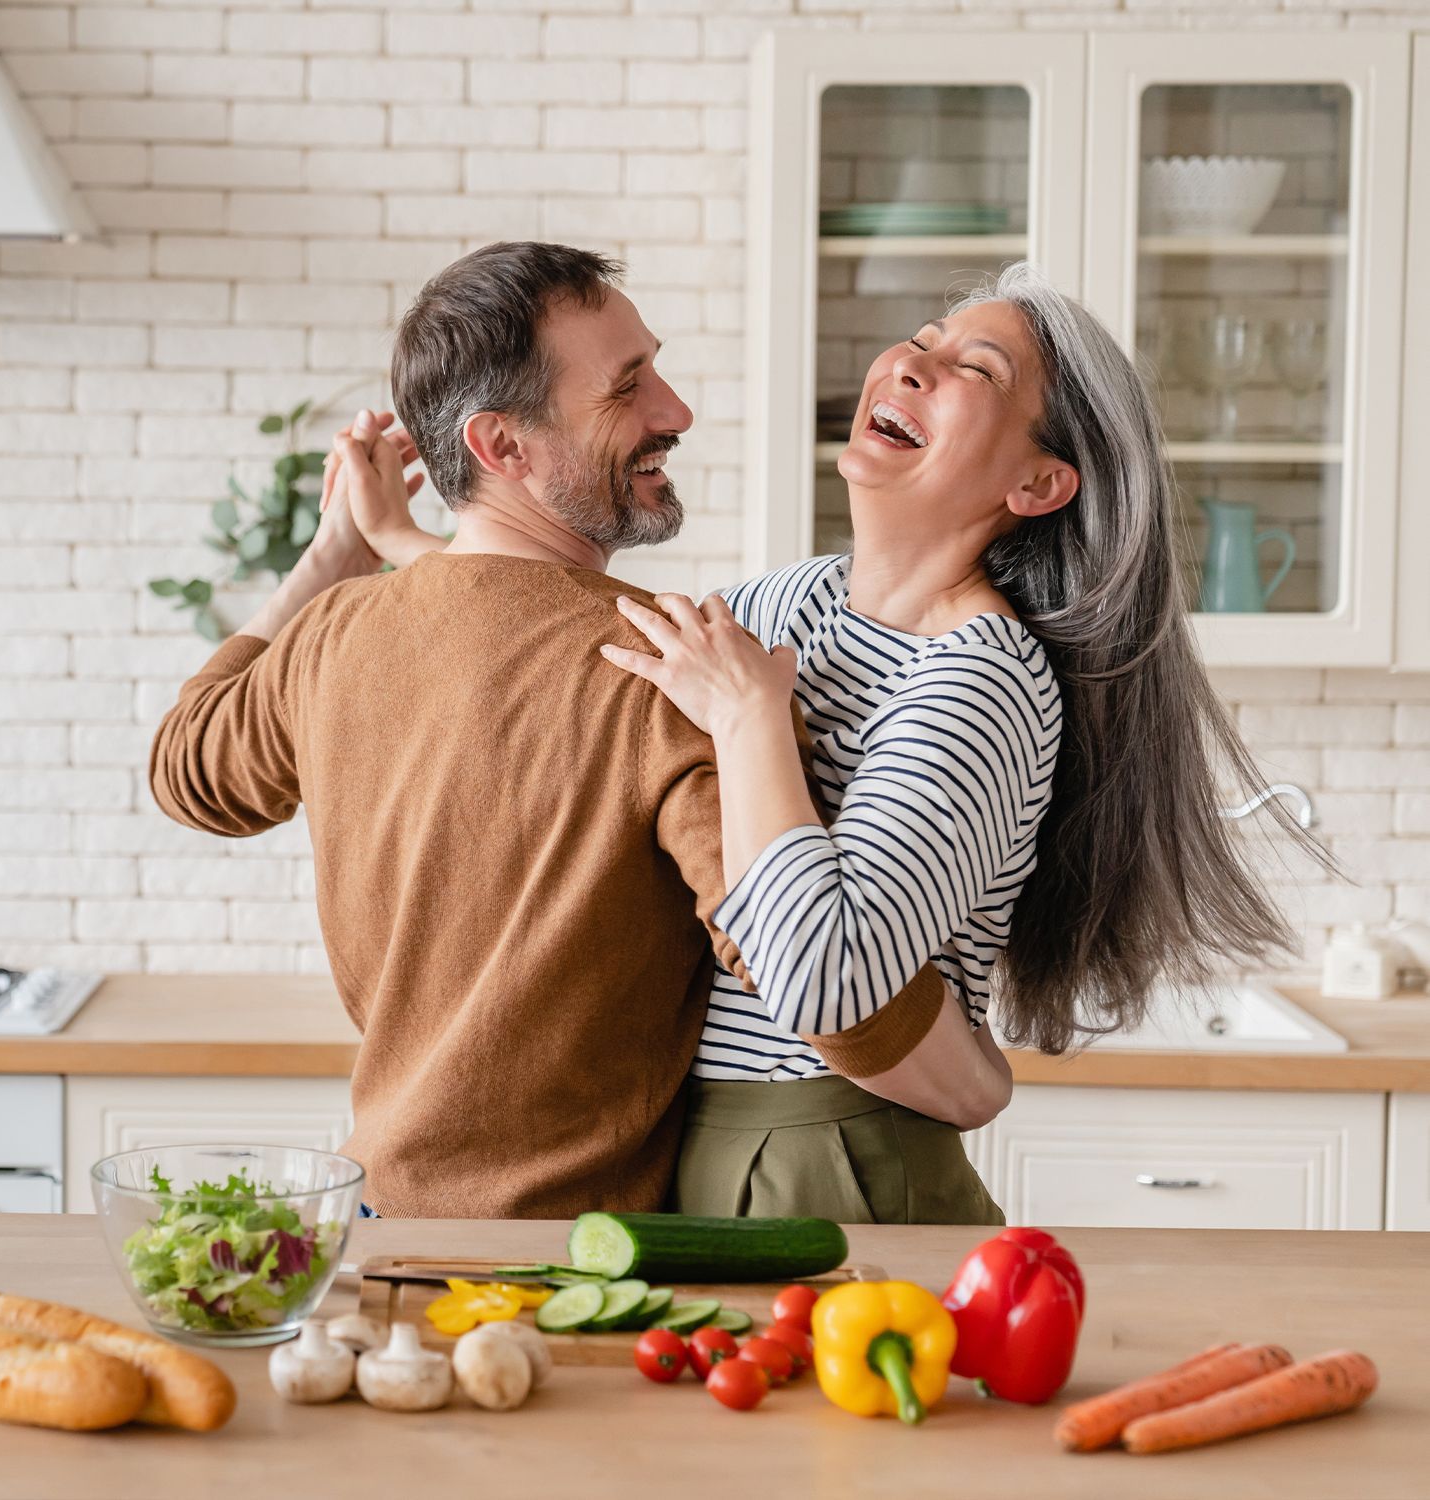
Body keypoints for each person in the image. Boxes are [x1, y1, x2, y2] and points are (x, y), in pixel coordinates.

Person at [344, 258, 1314, 1224]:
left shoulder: (981, 678)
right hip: (693, 1146)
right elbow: (582, 649)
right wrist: (401, 542)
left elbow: (826, 978)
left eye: (974, 370)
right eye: (923, 341)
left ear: (1038, 481)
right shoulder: (789, 601)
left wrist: (752, 720)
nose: (910, 364)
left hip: (833, 1156)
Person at [149, 241, 815, 1219]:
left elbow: (186, 768)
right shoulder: (670, 668)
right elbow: (798, 961)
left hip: (375, 1226)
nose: (675, 411)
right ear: (502, 448)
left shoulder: (334, 631)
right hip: (569, 1264)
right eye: (628, 389)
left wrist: (332, 554)